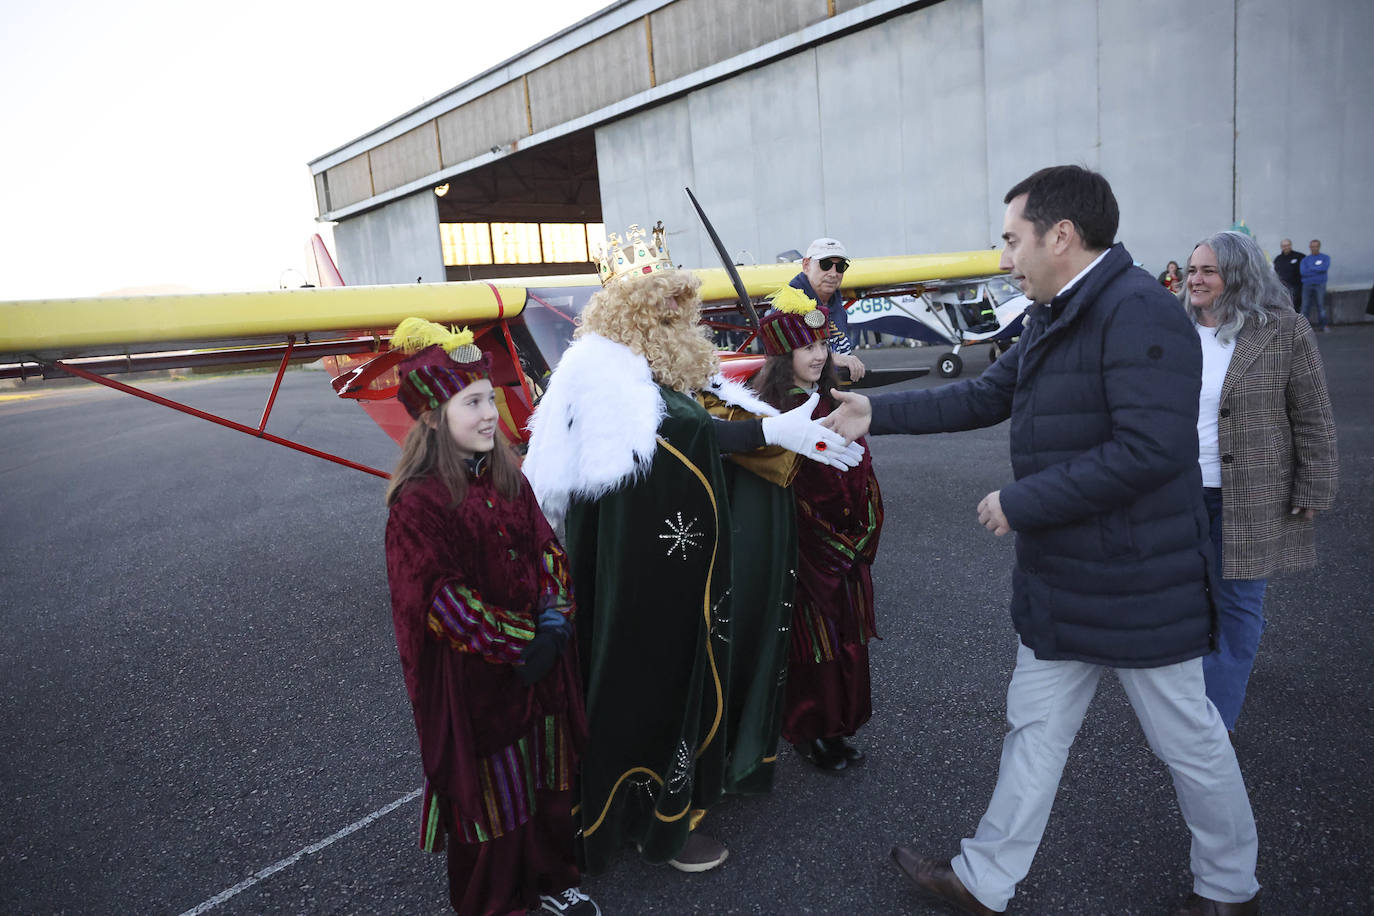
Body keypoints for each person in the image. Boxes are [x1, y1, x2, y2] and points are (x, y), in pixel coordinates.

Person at [824, 166, 1261, 916]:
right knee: (1034, 727)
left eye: (1010, 240)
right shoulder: (1056, 311)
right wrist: (876, 414)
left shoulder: (1138, 314)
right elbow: (986, 394)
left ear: (1062, 236)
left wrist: (1023, 501)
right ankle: (983, 879)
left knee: (1187, 741)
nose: (1002, 259)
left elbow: (1152, 451)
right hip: (1066, 578)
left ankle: (1230, 889)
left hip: (1135, 583)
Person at [522, 223, 861, 875]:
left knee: (678, 677)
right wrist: (769, 428)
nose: (676, 308)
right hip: (634, 573)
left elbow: (702, 411)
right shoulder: (597, 368)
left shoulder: (658, 357)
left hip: (666, 562)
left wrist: (773, 430)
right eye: (659, 298)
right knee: (643, 683)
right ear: (627, 307)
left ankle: (669, 804)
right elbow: (676, 434)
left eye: (679, 295)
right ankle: (646, 825)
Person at [382, 318, 599, 916]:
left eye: (489, 397)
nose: (489, 413)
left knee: (551, 782)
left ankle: (554, 878)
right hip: (479, 685)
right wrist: (526, 641)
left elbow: (547, 549)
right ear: (431, 416)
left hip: (543, 667)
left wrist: (556, 616)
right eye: (471, 401)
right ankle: (501, 904)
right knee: (495, 804)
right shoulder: (418, 502)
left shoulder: (506, 476)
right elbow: (439, 601)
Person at [1183, 231, 1338, 733]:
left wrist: (1312, 486)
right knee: (1194, 600)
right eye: (1192, 269)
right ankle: (1228, 659)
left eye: (1209, 270)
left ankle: (1213, 724)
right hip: (1178, 493)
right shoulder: (1173, 329)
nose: (1196, 279)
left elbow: (1312, 414)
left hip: (1249, 493)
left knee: (1238, 604)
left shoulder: (1284, 330)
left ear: (1239, 274)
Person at [750, 288, 884, 773]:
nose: (818, 355)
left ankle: (839, 725)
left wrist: (866, 530)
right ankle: (812, 730)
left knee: (846, 638)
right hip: (810, 552)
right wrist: (832, 547)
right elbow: (789, 492)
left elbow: (862, 471)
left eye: (822, 345)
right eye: (806, 347)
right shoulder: (774, 410)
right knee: (815, 644)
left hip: (848, 544)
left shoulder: (832, 397)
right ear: (784, 354)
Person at [792, 238, 867, 381]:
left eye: (840, 267)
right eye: (825, 265)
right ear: (806, 265)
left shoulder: (835, 301)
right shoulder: (790, 304)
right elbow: (783, 359)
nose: (833, 274)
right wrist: (835, 358)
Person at [1300, 239, 1331, 331]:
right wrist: (1317, 269)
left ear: (1319, 247)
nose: (1314, 248)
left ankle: (1324, 325)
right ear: (1310, 247)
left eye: (1316, 246)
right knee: (1305, 306)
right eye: (1312, 246)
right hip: (1307, 285)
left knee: (1321, 305)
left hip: (1320, 284)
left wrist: (1311, 269)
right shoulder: (1305, 259)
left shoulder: (1325, 257)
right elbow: (1303, 272)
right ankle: (1303, 328)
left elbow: (1324, 268)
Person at [1271, 239, 1304, 308]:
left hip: (1295, 286)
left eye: (1287, 245)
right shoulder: (1278, 258)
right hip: (1282, 287)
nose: (1285, 247)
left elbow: (1304, 270)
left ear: (1290, 246)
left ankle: (1297, 318)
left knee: (1295, 305)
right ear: (1281, 247)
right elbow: (1275, 271)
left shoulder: (1299, 256)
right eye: (1283, 246)